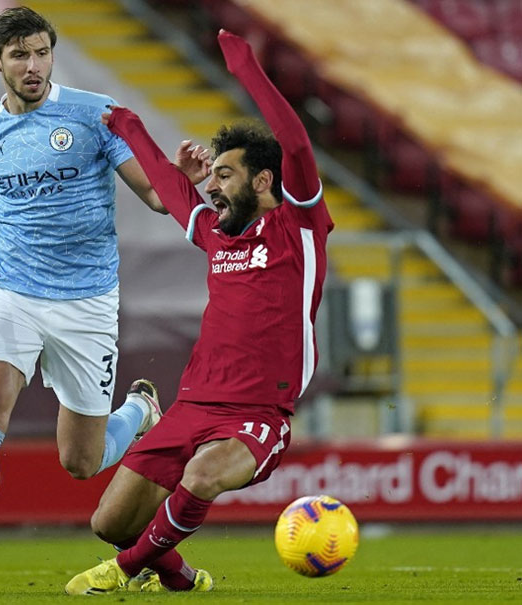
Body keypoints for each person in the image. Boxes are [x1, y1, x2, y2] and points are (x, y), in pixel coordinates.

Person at [0, 6, 171, 594]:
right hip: (12, 292)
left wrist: (180, 180)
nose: (34, 65)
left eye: (43, 52)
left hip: (87, 302)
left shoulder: (93, 114)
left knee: (81, 462)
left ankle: (139, 414)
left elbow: (154, 196)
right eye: (21, 55)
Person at [64, 29, 334, 594]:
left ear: (263, 181)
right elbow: (168, 184)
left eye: (226, 176)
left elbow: (298, 147)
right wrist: (130, 127)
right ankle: (179, 577)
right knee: (108, 522)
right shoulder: (217, 234)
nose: (213, 186)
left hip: (258, 411)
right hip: (192, 403)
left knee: (203, 475)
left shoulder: (299, 225)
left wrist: (247, 73)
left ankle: (125, 569)